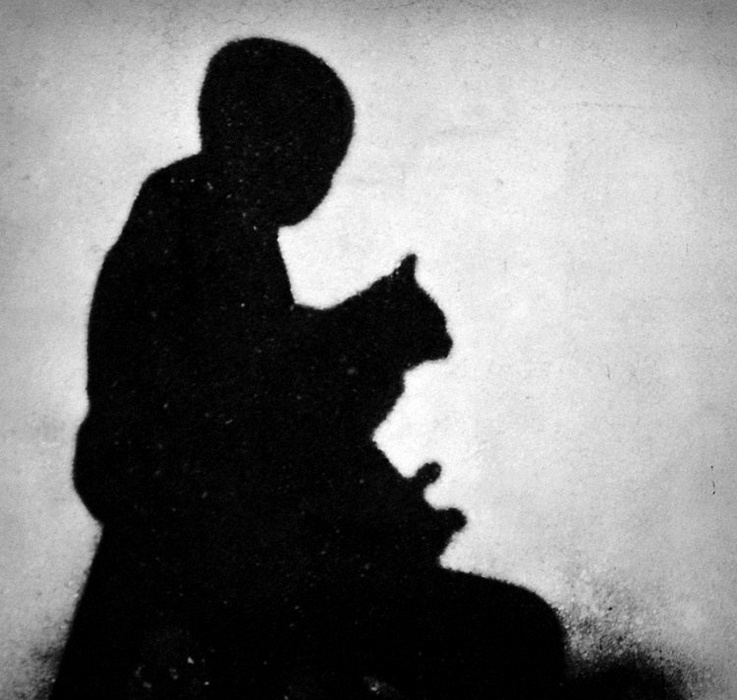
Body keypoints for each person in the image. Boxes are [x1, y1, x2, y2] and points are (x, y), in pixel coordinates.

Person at [52, 38, 566, 699]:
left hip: (217, 546)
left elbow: (269, 397)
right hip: (215, 558)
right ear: (245, 133)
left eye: (329, 167)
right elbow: (252, 419)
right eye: (313, 159)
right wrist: (357, 358)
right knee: (513, 636)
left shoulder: (211, 223)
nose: (320, 184)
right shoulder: (203, 223)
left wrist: (384, 506)